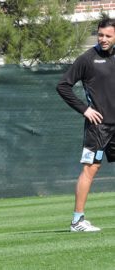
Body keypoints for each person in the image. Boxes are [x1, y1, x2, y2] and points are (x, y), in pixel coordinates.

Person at [56, 18, 115, 232]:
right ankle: (77, 221)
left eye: (108, 35)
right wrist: (85, 109)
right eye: (101, 35)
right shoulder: (87, 59)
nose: (104, 39)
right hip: (98, 126)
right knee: (91, 169)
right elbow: (62, 86)